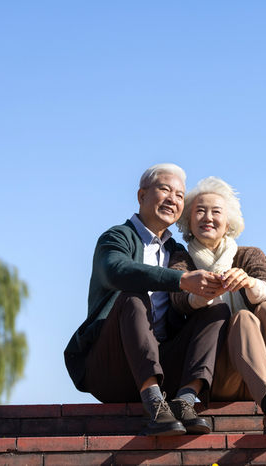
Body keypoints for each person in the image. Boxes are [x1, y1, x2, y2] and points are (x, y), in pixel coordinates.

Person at [64, 164, 231, 436]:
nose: (173, 199)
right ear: (141, 196)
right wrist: (179, 280)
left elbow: (216, 251)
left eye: (179, 194)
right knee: (133, 295)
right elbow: (115, 270)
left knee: (216, 309)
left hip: (166, 367)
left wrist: (259, 275)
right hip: (112, 368)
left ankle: (184, 402)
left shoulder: (178, 253)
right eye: (165, 189)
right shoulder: (117, 237)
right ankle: (153, 403)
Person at [169, 176, 266, 435]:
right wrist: (210, 291)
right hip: (222, 376)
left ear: (229, 221)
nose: (207, 217)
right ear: (188, 219)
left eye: (216, 211)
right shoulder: (181, 259)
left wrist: (248, 282)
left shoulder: (248, 254)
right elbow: (179, 303)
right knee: (242, 319)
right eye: (199, 211)